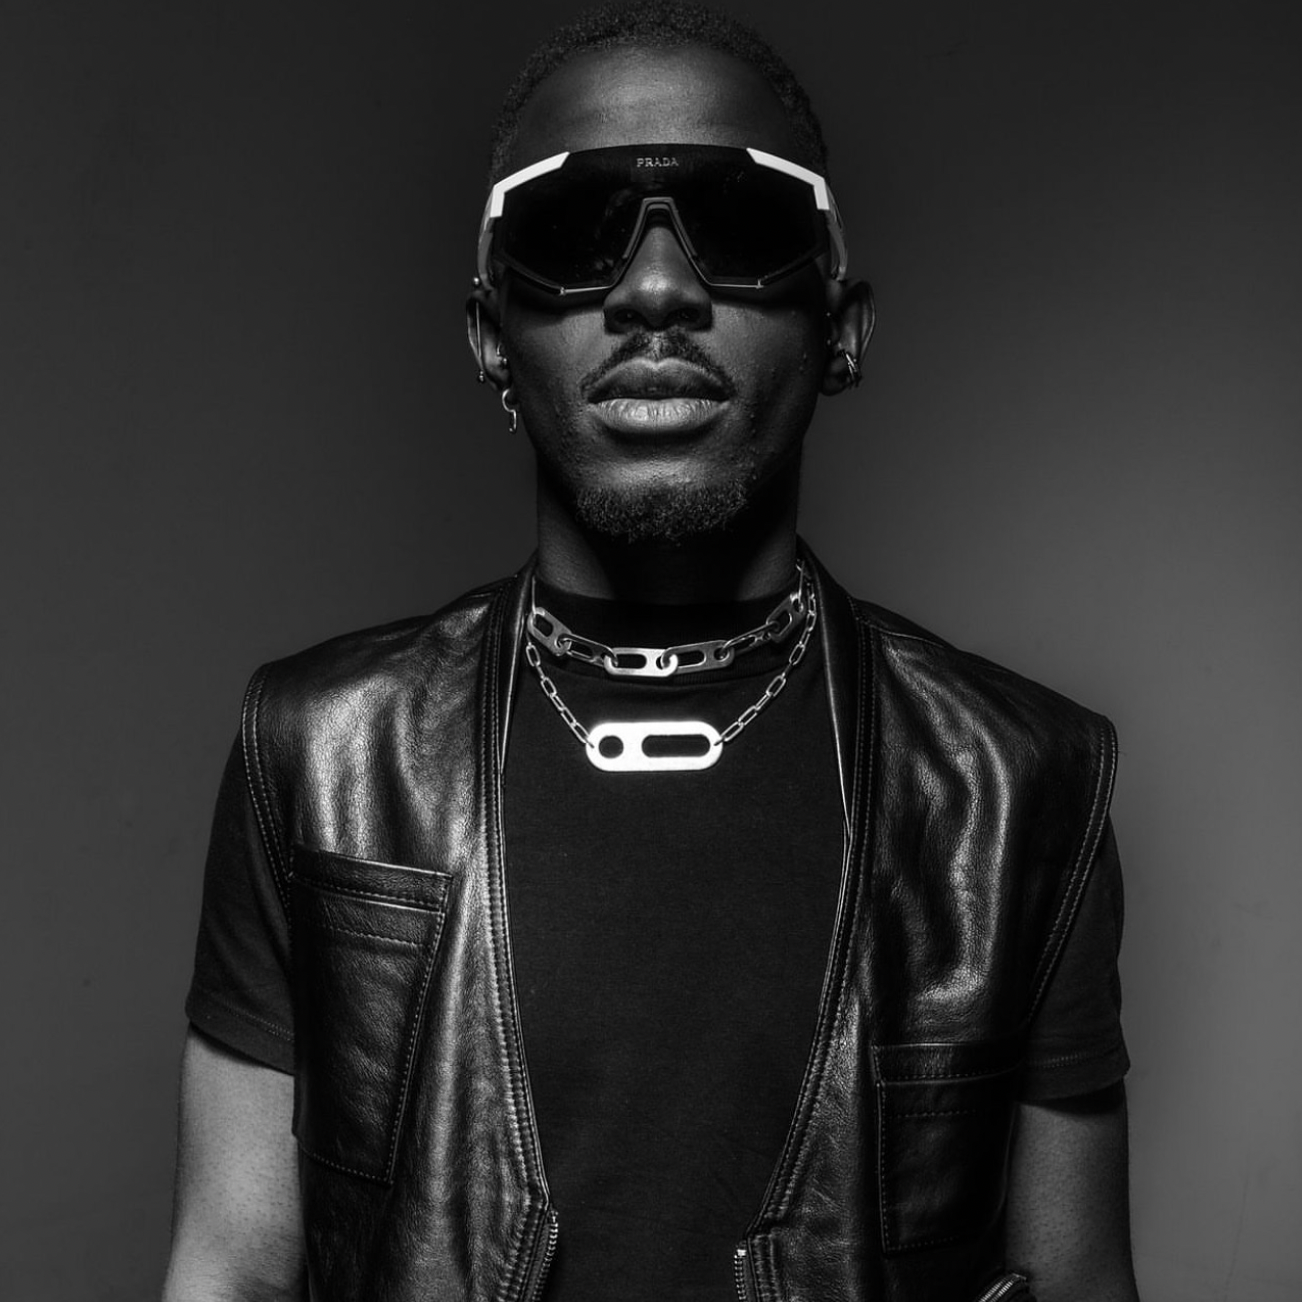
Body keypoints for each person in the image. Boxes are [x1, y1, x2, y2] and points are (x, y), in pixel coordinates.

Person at [161, 4, 1140, 1300]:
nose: (657, 290)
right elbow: (231, 1268)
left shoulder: (1019, 782)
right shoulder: (316, 749)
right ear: (489, 338)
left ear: (841, 326)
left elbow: (1075, 1284)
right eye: (574, 230)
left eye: (740, 223)